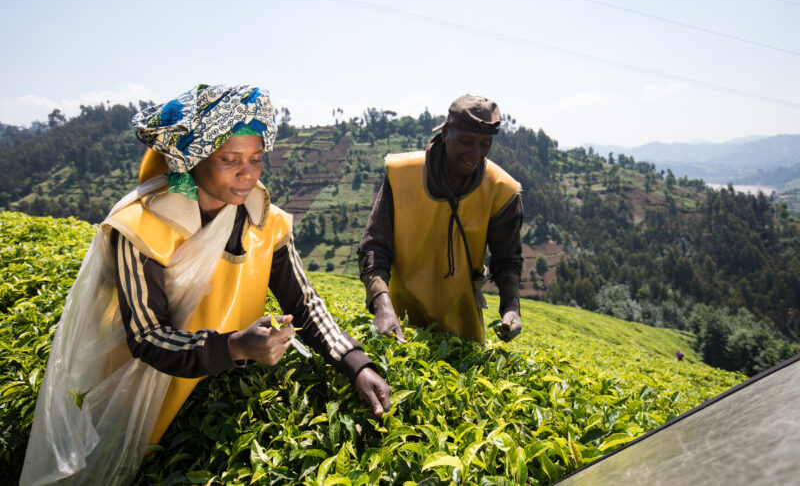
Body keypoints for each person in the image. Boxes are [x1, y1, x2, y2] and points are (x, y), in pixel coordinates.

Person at [21, 84, 391, 486]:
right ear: (194, 159)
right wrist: (236, 346)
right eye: (229, 159)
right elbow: (147, 337)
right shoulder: (141, 227)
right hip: (145, 395)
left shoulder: (264, 219)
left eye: (256, 158)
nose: (247, 172)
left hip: (223, 381)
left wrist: (356, 365)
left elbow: (304, 304)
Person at [358, 94, 524, 344]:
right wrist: (382, 305)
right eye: (466, 141)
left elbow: (507, 259)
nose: (475, 154)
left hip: (463, 328)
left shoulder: (501, 190)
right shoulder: (403, 174)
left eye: (485, 144)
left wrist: (511, 307)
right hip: (399, 320)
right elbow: (374, 246)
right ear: (446, 132)